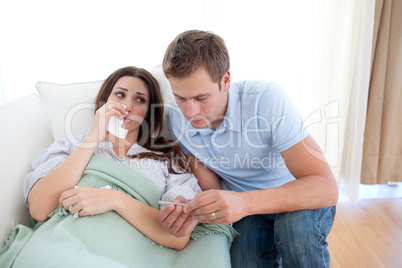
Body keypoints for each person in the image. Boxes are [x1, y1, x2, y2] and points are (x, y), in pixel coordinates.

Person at [158, 30, 339, 267]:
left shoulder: (266, 99)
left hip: (298, 196)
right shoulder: (176, 120)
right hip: (248, 212)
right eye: (181, 98)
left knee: (295, 233)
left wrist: (245, 203)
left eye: (201, 98)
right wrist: (195, 209)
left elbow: (326, 187)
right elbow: (211, 188)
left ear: (226, 81)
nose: (190, 112)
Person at [24, 66, 201, 250]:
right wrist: (93, 137)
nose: (127, 106)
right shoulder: (70, 145)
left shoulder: (166, 157)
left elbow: (178, 237)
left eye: (140, 100)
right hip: (65, 244)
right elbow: (39, 208)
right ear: (105, 100)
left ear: (147, 112)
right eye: (119, 95)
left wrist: (116, 200)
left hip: (129, 251)